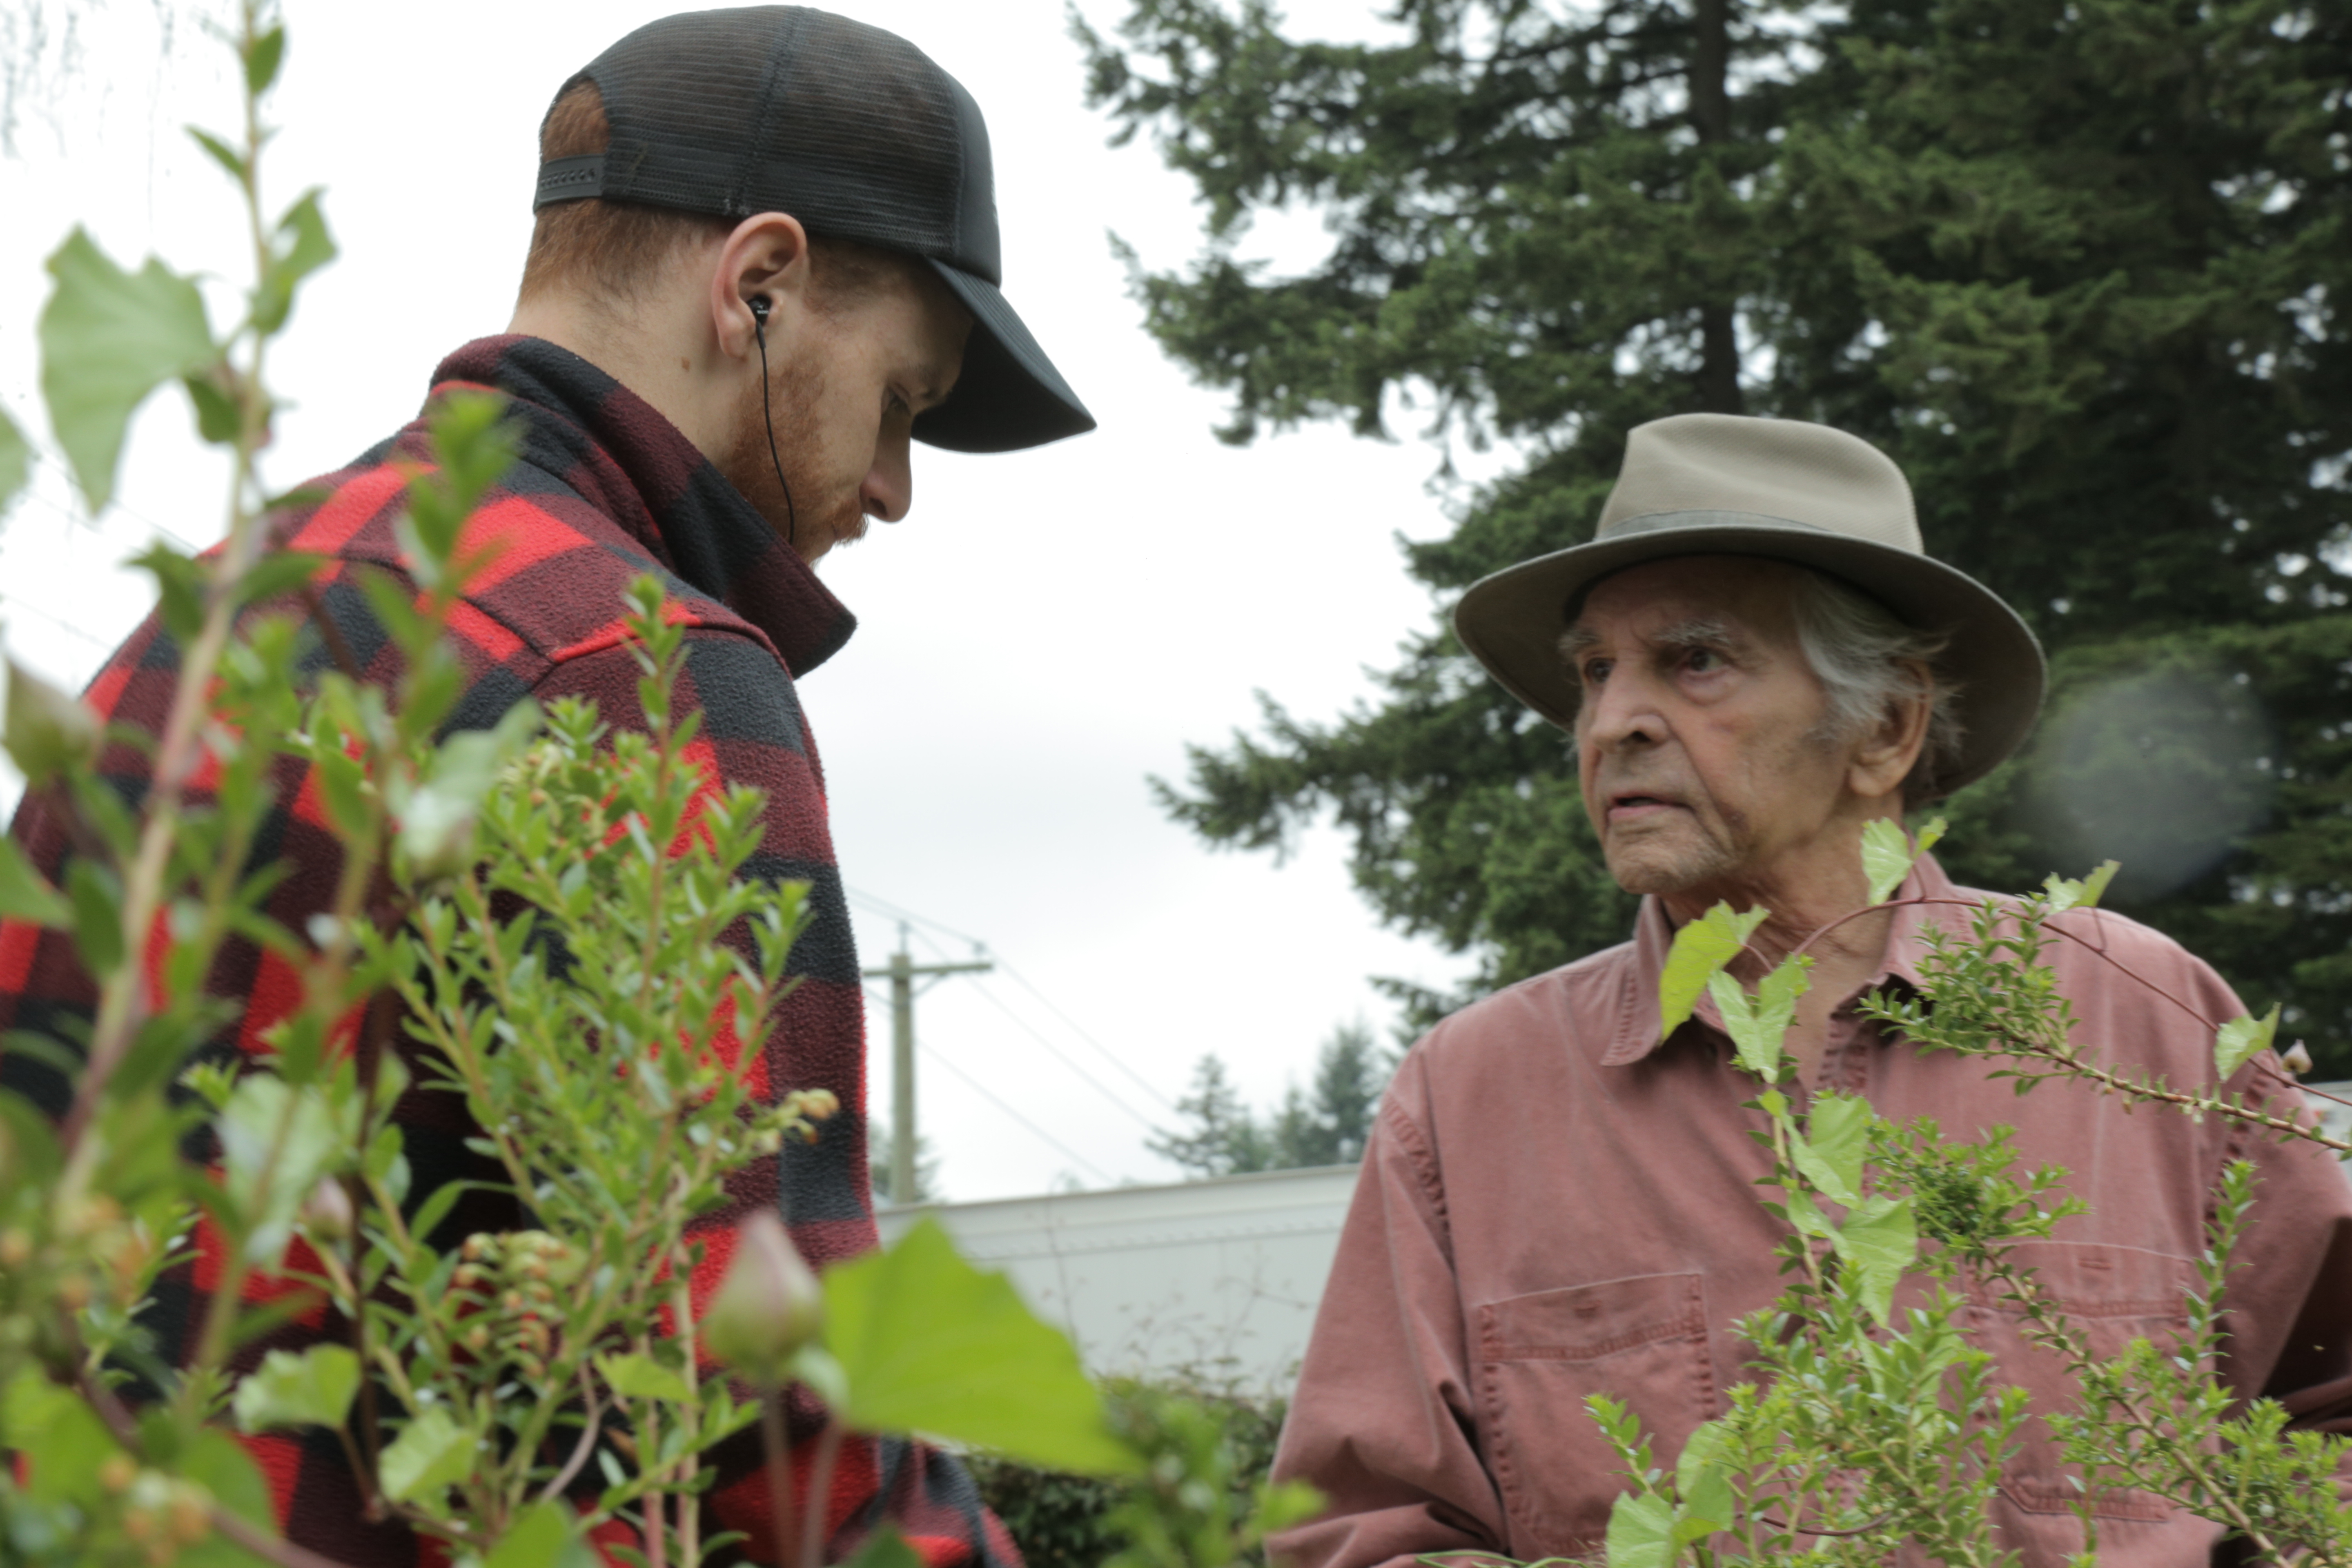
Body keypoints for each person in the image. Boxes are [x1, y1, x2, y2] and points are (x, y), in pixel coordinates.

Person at [0, 7, 1089, 1564]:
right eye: (903, 403)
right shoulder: (637, 666)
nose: (897, 491)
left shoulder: (216, 606)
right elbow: (766, 1408)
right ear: (759, 285)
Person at [1269, 414, 2352, 1567]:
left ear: (1884, 730)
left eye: (1694, 660)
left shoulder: (2140, 1016)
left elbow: (2331, 1419)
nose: (1610, 722)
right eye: (1596, 671)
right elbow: (1366, 1532)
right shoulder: (1473, 1095)